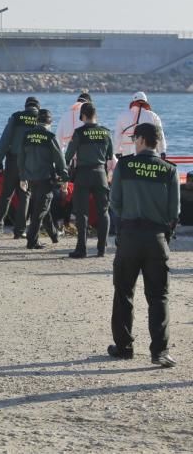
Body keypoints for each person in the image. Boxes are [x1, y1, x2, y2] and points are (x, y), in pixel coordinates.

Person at [107, 123, 179, 368]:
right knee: (159, 296)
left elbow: (114, 202)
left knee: (124, 292)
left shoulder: (125, 166)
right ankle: (159, 351)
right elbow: (174, 212)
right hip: (156, 239)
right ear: (157, 142)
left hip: (129, 236)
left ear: (139, 140)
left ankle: (124, 347)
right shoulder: (169, 170)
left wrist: (125, 223)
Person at [64, 102, 114, 258]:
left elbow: (68, 155)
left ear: (83, 116)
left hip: (83, 175)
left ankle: (81, 249)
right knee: (103, 212)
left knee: (82, 213)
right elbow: (109, 155)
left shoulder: (79, 133)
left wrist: (64, 172)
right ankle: (101, 249)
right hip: (100, 174)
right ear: (95, 115)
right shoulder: (106, 132)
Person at [18, 109, 69, 250]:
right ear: (50, 122)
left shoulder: (26, 136)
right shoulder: (49, 137)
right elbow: (59, 159)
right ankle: (32, 241)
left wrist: (22, 177)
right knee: (41, 210)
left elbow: (21, 157)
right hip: (45, 178)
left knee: (43, 207)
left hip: (31, 179)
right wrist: (64, 176)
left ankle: (54, 235)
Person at [0, 96, 41, 238]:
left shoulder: (16, 117)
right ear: (37, 107)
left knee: (6, 194)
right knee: (25, 195)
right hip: (30, 163)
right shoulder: (40, 118)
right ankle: (19, 231)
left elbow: (5, 138)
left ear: (25, 106)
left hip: (13, 160)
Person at [113, 92, 167, 158]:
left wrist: (117, 152)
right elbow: (159, 135)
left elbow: (117, 136)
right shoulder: (153, 116)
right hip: (147, 153)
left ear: (133, 101)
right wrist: (162, 151)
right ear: (146, 102)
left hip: (127, 153)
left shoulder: (122, 116)